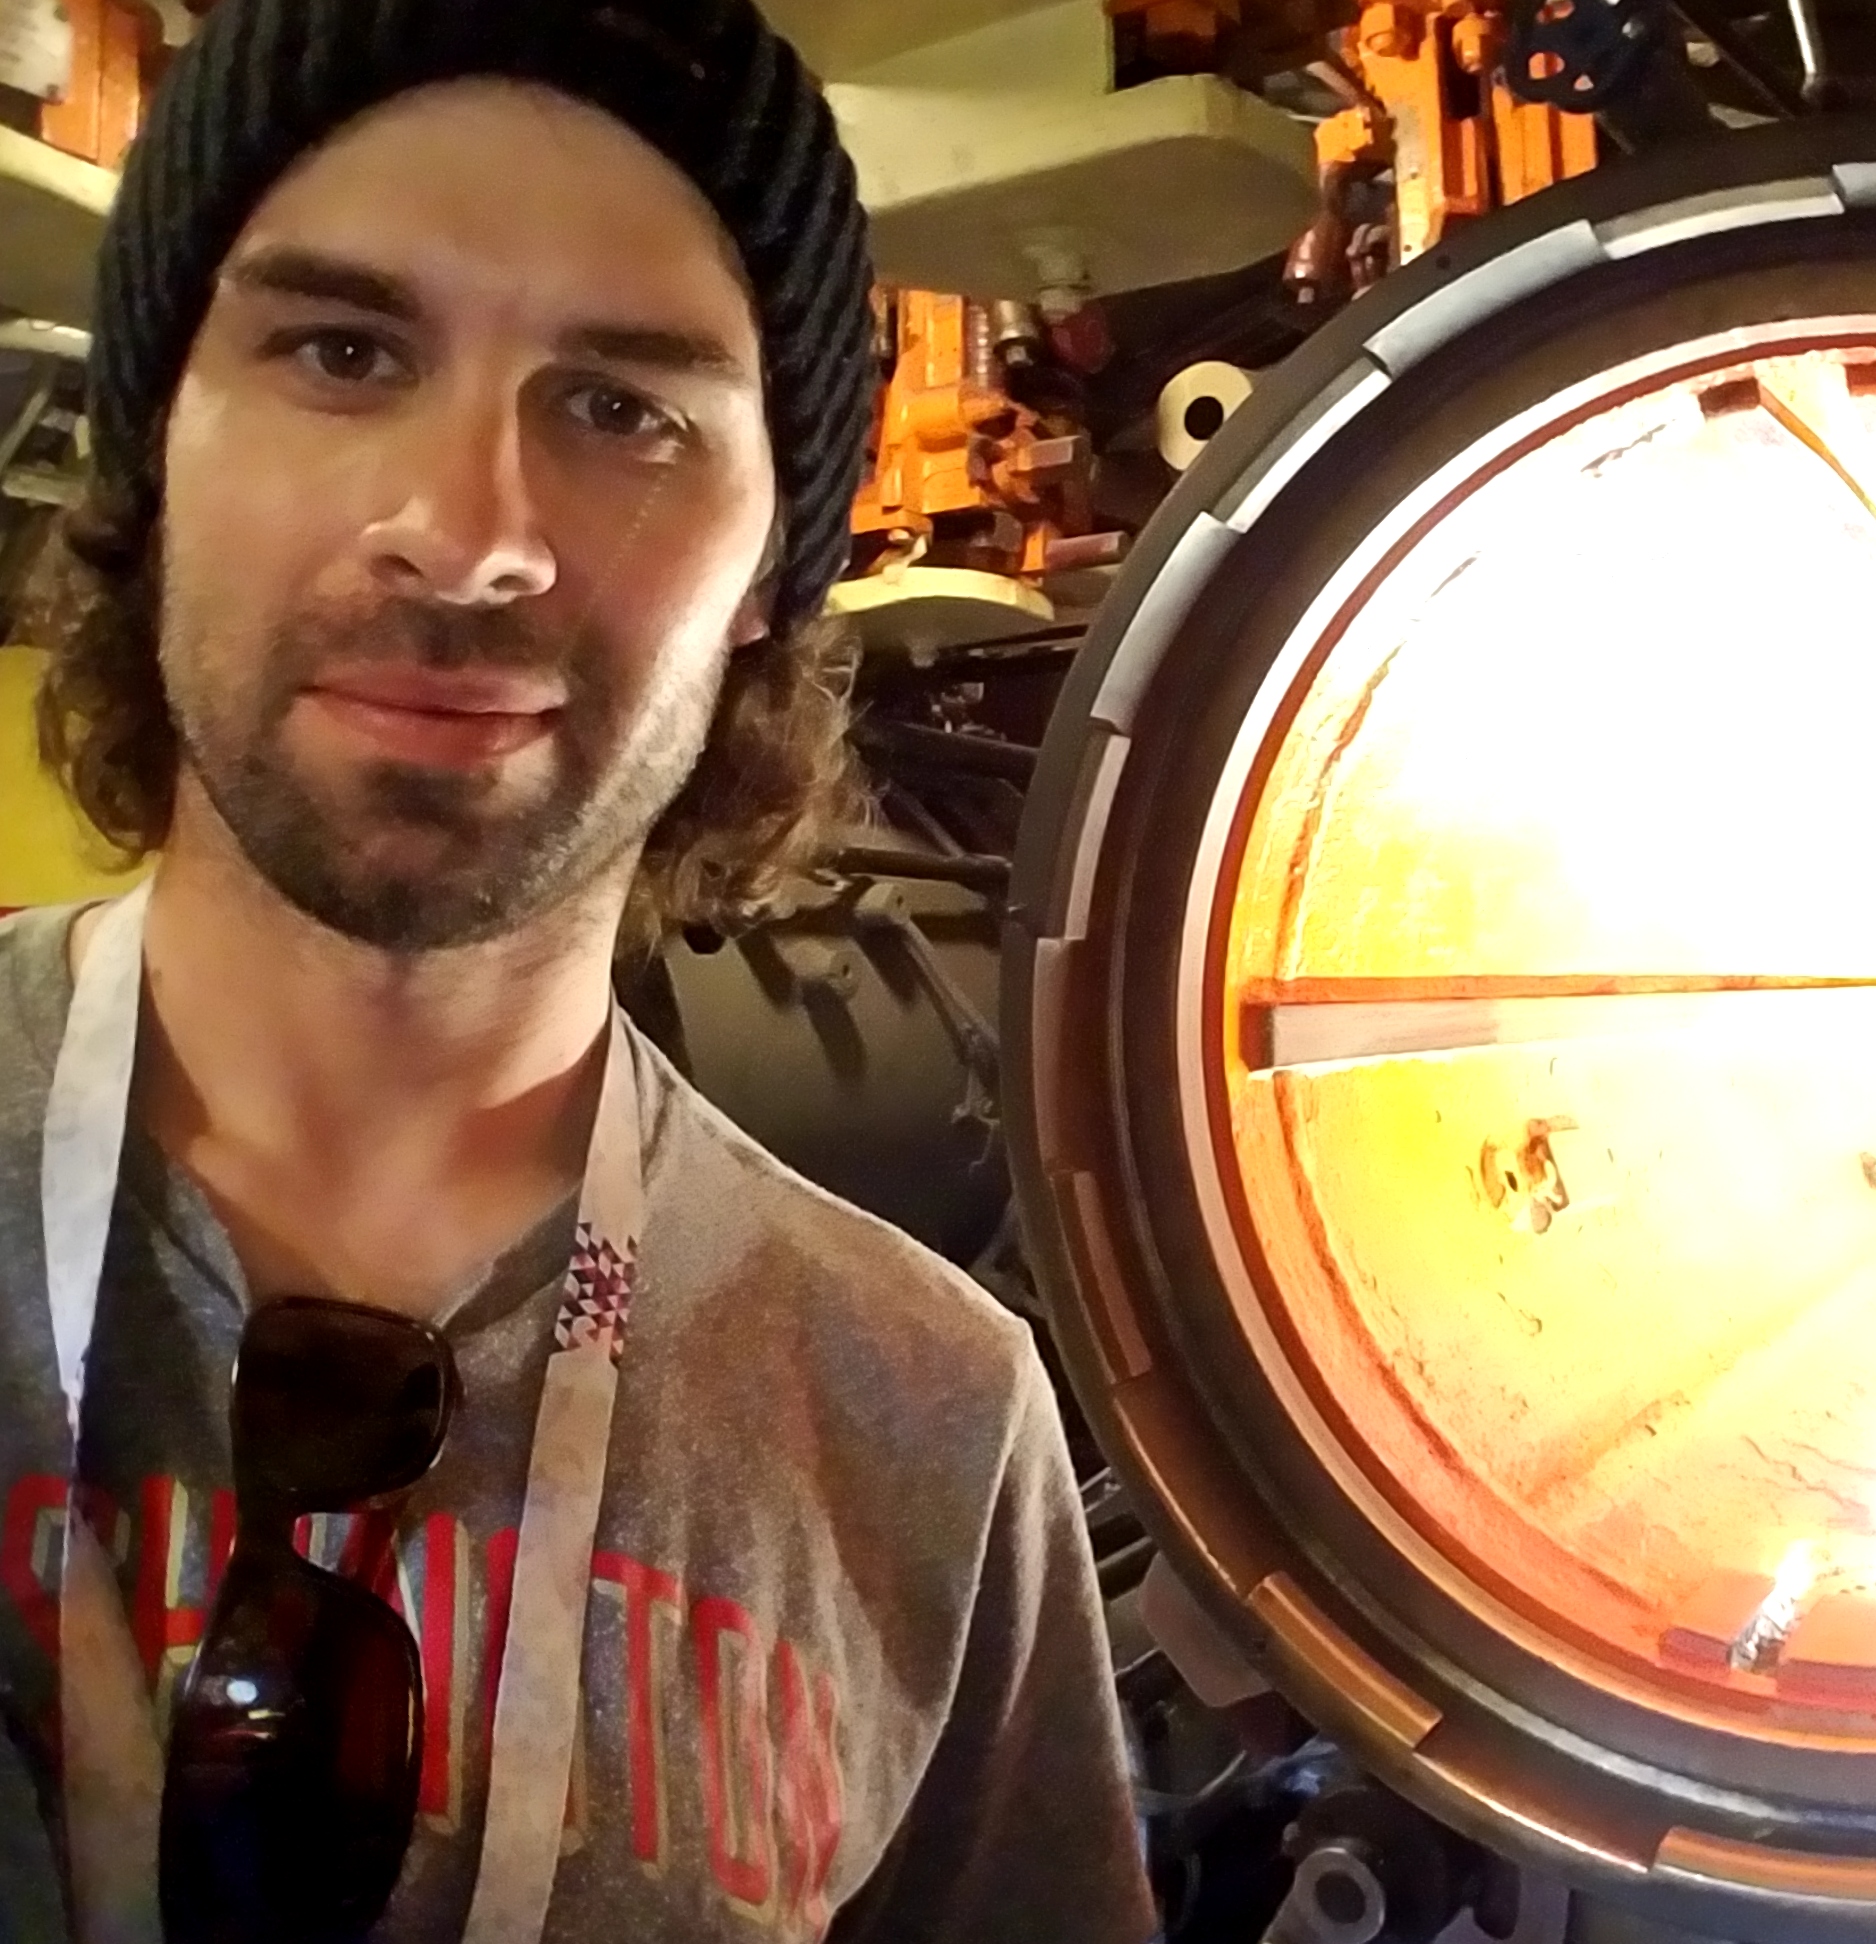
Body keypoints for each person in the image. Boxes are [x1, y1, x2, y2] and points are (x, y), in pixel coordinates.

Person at [0, 2, 1157, 1940]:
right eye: (343, 351)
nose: (469, 538)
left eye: (623, 408)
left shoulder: (934, 1430)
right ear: (157, 450)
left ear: (774, 563)